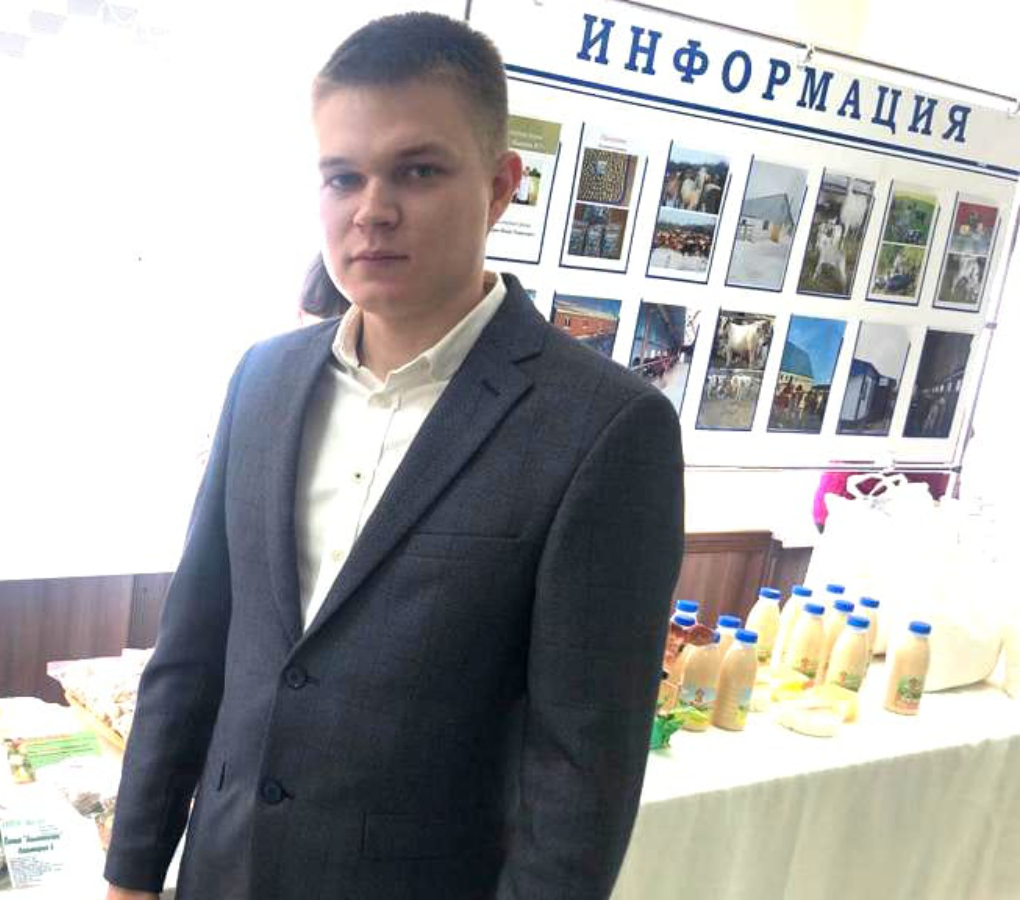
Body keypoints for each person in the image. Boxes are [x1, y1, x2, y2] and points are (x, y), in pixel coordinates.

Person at [105, 13, 684, 900]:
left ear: (500, 187)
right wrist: (133, 872)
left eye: (418, 171)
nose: (371, 210)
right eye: (343, 176)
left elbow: (581, 771)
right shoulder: (264, 379)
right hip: (221, 872)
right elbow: (192, 648)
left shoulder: (602, 427)